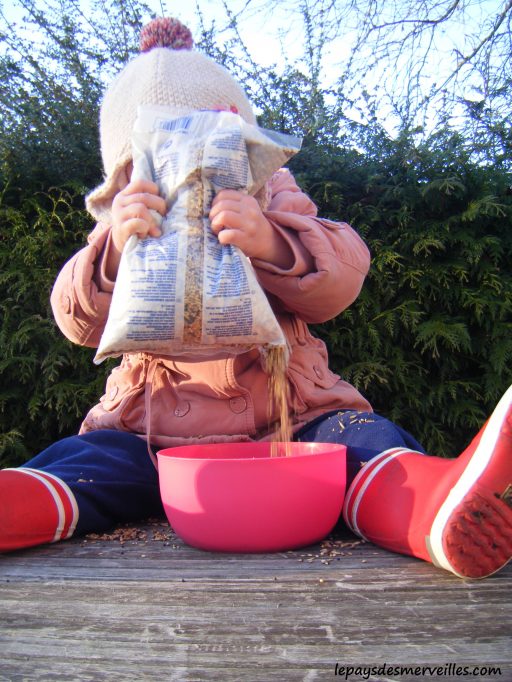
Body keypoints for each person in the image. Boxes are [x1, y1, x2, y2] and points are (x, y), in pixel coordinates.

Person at [1, 17, 510, 579]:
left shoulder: (274, 198)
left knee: (361, 442)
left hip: (291, 423)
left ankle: (432, 510)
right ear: (125, 174)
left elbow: (343, 275)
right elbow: (74, 319)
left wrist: (272, 240)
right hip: (148, 435)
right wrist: (115, 255)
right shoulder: (124, 221)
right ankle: (18, 504)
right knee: (88, 462)